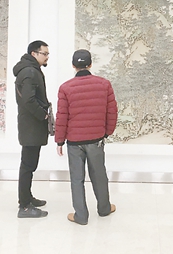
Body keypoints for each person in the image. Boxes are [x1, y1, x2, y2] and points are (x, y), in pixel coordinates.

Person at [55, 49, 118, 225]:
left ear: (73, 65)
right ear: (90, 64)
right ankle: (104, 208)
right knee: (99, 175)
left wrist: (59, 140)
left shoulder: (65, 88)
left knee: (77, 179)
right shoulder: (104, 84)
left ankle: (81, 216)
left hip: (74, 142)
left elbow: (62, 117)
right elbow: (112, 112)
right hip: (96, 140)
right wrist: (107, 132)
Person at [13, 40, 52, 218]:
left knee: (30, 164)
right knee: (28, 166)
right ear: (34, 54)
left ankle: (27, 198)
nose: (47, 57)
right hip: (31, 125)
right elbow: (28, 100)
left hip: (30, 124)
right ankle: (25, 206)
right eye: (44, 53)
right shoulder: (29, 72)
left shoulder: (31, 70)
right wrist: (43, 115)